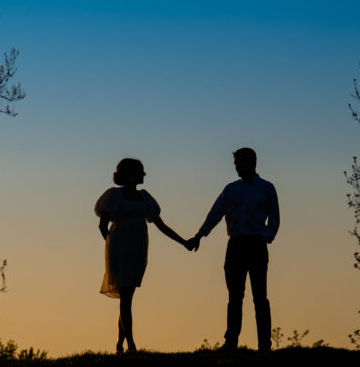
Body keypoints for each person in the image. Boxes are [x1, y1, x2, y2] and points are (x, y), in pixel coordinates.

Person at [186, 147, 279, 353]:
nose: (237, 167)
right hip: (235, 244)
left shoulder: (267, 188)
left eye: (240, 162)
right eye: (235, 163)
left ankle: (264, 343)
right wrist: (199, 235)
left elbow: (274, 216)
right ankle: (231, 342)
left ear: (252, 162)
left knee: (260, 297)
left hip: (256, 244)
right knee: (235, 297)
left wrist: (266, 237)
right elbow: (215, 214)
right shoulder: (230, 190)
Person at [95, 158, 189, 353]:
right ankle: (130, 344)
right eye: (141, 171)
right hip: (119, 250)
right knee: (126, 297)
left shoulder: (145, 198)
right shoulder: (114, 196)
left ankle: (120, 344)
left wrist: (184, 242)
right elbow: (102, 226)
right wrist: (113, 245)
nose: (144, 175)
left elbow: (161, 225)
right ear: (131, 174)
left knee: (127, 297)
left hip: (138, 250)